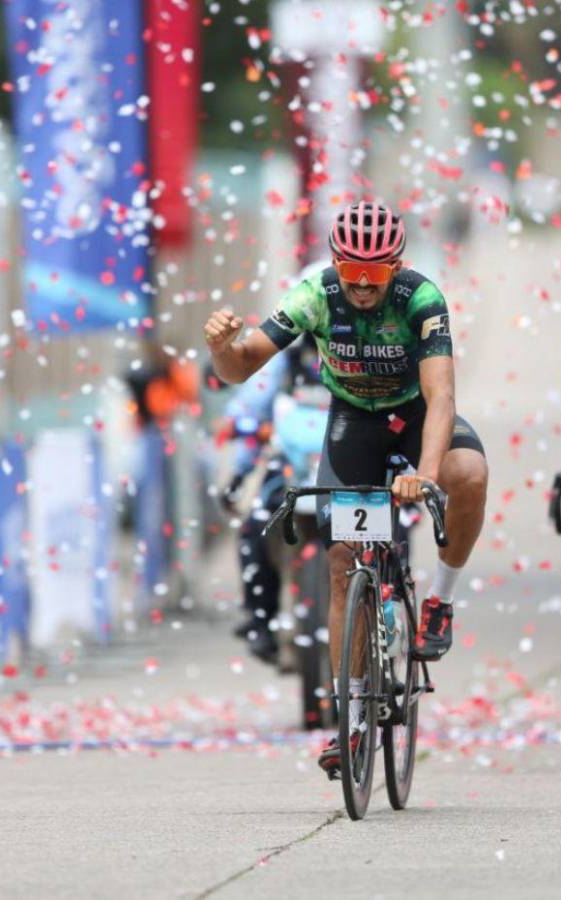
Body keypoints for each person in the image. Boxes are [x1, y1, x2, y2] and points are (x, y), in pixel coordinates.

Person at [204, 201, 489, 774]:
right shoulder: (314, 294)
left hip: (414, 417)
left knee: (471, 476)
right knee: (340, 563)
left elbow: (442, 399)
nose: (361, 286)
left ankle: (440, 600)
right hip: (352, 423)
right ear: (336, 263)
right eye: (351, 273)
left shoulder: (421, 299)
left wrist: (424, 476)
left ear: (396, 266)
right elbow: (241, 367)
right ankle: (350, 722)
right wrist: (221, 348)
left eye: (375, 274)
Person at [219, 331, 325, 662]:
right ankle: (261, 620)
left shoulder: (373, 350)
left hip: (358, 467)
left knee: (391, 529)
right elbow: (250, 405)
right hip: (293, 472)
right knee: (256, 526)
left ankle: (392, 614)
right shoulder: (283, 358)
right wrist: (240, 473)